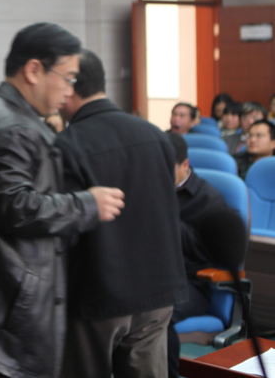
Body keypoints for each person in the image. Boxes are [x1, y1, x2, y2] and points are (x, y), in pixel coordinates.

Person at [0, 23, 125, 378]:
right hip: (0, 319)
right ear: (33, 70)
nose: (70, 90)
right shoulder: (17, 129)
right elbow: (14, 206)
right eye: (68, 77)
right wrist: (87, 205)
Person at [56, 49, 187, 378]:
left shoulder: (66, 145)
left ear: (70, 86)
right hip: (158, 291)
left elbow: (65, 229)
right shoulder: (155, 135)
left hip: (98, 294)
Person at [165, 132, 228, 378]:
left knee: (156, 315)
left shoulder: (209, 199)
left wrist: (165, 219)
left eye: (166, 169)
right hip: (151, 274)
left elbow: (210, 252)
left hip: (190, 283)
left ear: (185, 165)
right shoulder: (150, 188)